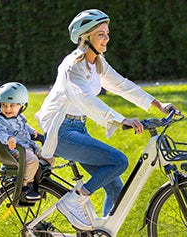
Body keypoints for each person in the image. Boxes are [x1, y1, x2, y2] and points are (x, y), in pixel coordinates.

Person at [34, 9, 178, 229]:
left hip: (77, 129)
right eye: (101, 34)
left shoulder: (97, 63)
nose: (107, 38)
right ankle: (74, 200)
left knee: (115, 189)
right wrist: (121, 120)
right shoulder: (72, 66)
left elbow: (123, 85)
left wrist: (159, 105)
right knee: (119, 161)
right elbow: (85, 99)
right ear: (87, 37)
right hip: (60, 132)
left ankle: (102, 232)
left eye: (107, 33)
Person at [0, 82, 54, 202]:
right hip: (17, 150)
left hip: (29, 146)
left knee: (49, 156)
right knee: (32, 160)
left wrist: (33, 132)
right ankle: (26, 185)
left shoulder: (19, 117)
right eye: (4, 105)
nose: (7, 109)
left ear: (21, 106)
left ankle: (41, 179)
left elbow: (24, 126)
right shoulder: (0, 120)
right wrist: (8, 139)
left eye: (12, 105)